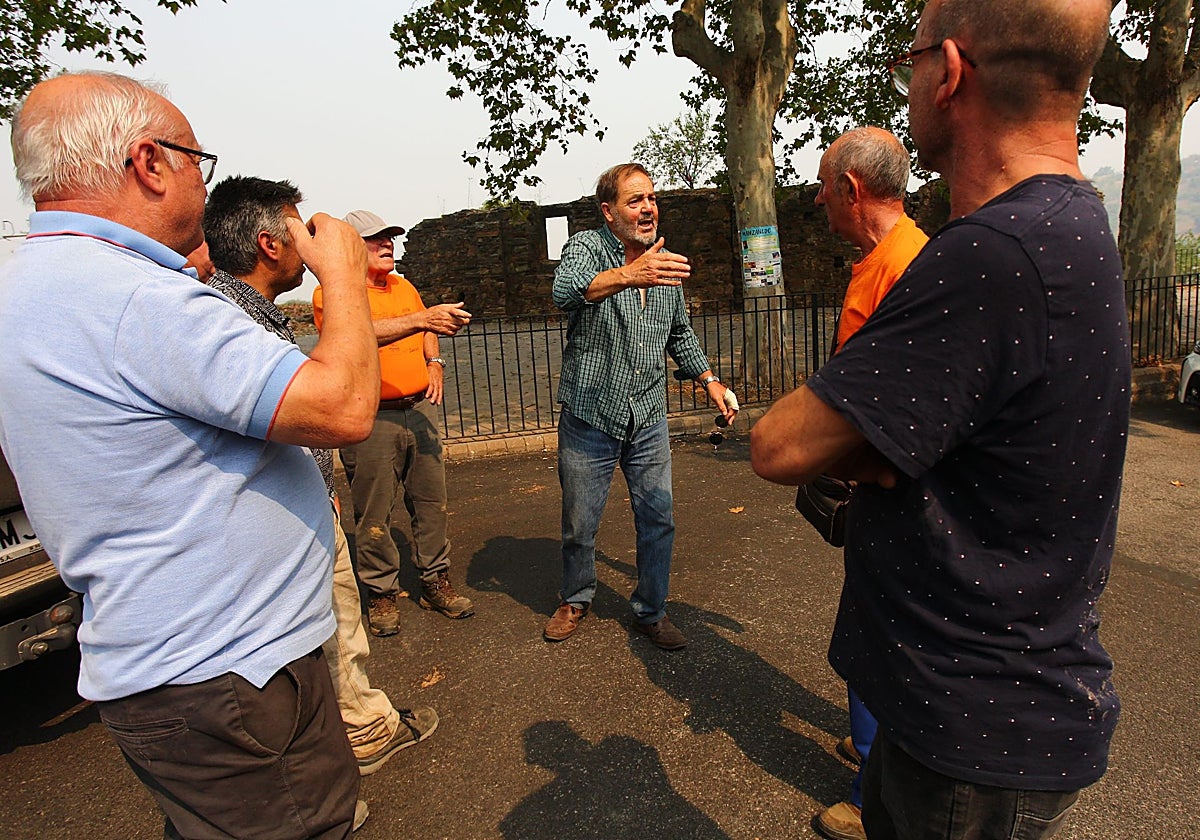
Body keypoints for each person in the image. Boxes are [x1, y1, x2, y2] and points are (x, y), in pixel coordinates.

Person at [751, 0, 1128, 837]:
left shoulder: (989, 254)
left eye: (909, 59)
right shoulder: (1073, 222)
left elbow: (780, 444)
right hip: (998, 696)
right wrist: (883, 447)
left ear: (950, 71)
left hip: (968, 726)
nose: (910, 80)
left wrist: (867, 443)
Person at [0, 73, 381, 837]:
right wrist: (342, 277)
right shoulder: (134, 299)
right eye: (196, 161)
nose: (202, 184)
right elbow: (340, 407)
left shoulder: (38, 286)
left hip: (190, 672)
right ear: (149, 162)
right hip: (232, 678)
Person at [202, 175, 439, 777]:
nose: (310, 239)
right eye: (299, 227)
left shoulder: (240, 312)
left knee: (334, 628)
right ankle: (355, 743)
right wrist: (340, 272)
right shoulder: (234, 320)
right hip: (283, 518)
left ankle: (354, 731)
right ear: (269, 243)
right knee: (330, 628)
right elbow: (342, 411)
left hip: (301, 500)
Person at [547, 163, 737, 651]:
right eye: (635, 200)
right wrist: (631, 274)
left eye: (651, 198)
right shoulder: (588, 247)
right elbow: (566, 292)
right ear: (609, 212)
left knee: (659, 517)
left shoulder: (665, 262)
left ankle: (651, 611)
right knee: (579, 521)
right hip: (590, 412)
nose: (648, 207)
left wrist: (709, 380)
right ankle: (576, 596)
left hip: (648, 415)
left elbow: (678, 332)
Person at [810, 126, 929, 840]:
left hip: (891, 490)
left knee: (879, 643)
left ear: (852, 191)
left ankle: (871, 794)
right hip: (876, 487)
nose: (820, 201)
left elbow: (898, 397)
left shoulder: (904, 267)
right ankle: (867, 752)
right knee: (865, 632)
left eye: (824, 188)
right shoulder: (889, 258)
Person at [314, 210, 474, 636]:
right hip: (371, 417)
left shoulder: (403, 286)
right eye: (375, 239)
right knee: (374, 511)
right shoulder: (335, 292)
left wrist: (434, 360)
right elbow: (357, 332)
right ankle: (381, 590)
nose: (387, 244)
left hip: (418, 409)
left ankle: (434, 580)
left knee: (430, 502)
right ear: (351, 247)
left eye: (389, 237)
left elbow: (426, 327)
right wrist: (422, 320)